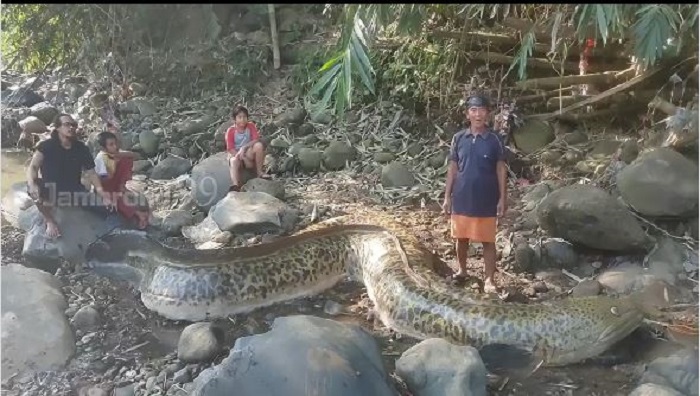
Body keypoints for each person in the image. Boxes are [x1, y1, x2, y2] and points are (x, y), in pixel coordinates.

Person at [442, 95, 508, 293]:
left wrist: (503, 199)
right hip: (461, 196)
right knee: (461, 238)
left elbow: (501, 170)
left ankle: (489, 280)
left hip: (487, 197)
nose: (477, 114)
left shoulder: (494, 139)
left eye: (481, 110)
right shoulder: (459, 138)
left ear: (487, 113)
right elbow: (453, 168)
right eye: (473, 110)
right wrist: (447, 197)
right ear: (467, 114)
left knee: (488, 240)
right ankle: (462, 271)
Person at [26, 113, 115, 239]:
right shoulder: (46, 146)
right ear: (57, 128)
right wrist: (32, 183)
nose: (71, 127)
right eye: (67, 124)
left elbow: (91, 172)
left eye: (73, 125)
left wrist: (102, 193)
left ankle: (111, 235)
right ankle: (49, 221)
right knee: (32, 188)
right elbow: (33, 167)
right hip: (50, 188)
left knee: (107, 208)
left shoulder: (81, 148)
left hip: (74, 190)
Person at [94, 131, 150, 229]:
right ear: (104, 148)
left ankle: (121, 186)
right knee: (118, 200)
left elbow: (133, 155)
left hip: (115, 184)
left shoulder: (113, 153)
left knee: (126, 160)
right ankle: (139, 215)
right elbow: (106, 178)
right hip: (104, 187)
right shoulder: (101, 158)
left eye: (115, 143)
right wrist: (114, 163)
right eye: (111, 145)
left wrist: (122, 156)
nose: (115, 146)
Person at [225, 104, 270, 192]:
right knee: (233, 161)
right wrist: (240, 156)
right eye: (240, 117)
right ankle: (235, 184)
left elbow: (256, 139)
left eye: (244, 117)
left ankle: (259, 172)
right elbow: (230, 148)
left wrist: (244, 148)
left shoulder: (250, 126)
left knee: (258, 146)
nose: (242, 119)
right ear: (235, 119)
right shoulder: (231, 131)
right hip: (237, 155)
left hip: (248, 153)